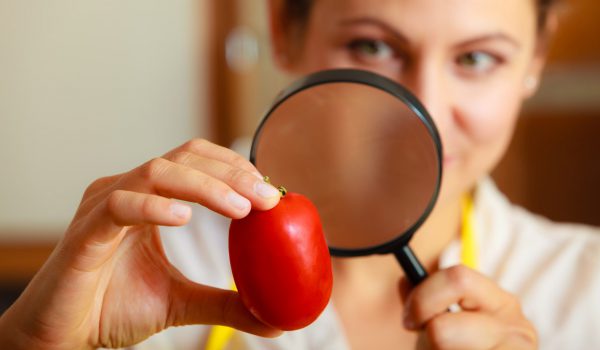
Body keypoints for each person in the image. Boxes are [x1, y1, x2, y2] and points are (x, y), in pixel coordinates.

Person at [1, 0, 599, 349]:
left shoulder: (586, 290)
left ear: (535, 63)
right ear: (284, 34)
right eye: (373, 47)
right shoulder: (142, 259)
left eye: (475, 59)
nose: (426, 113)